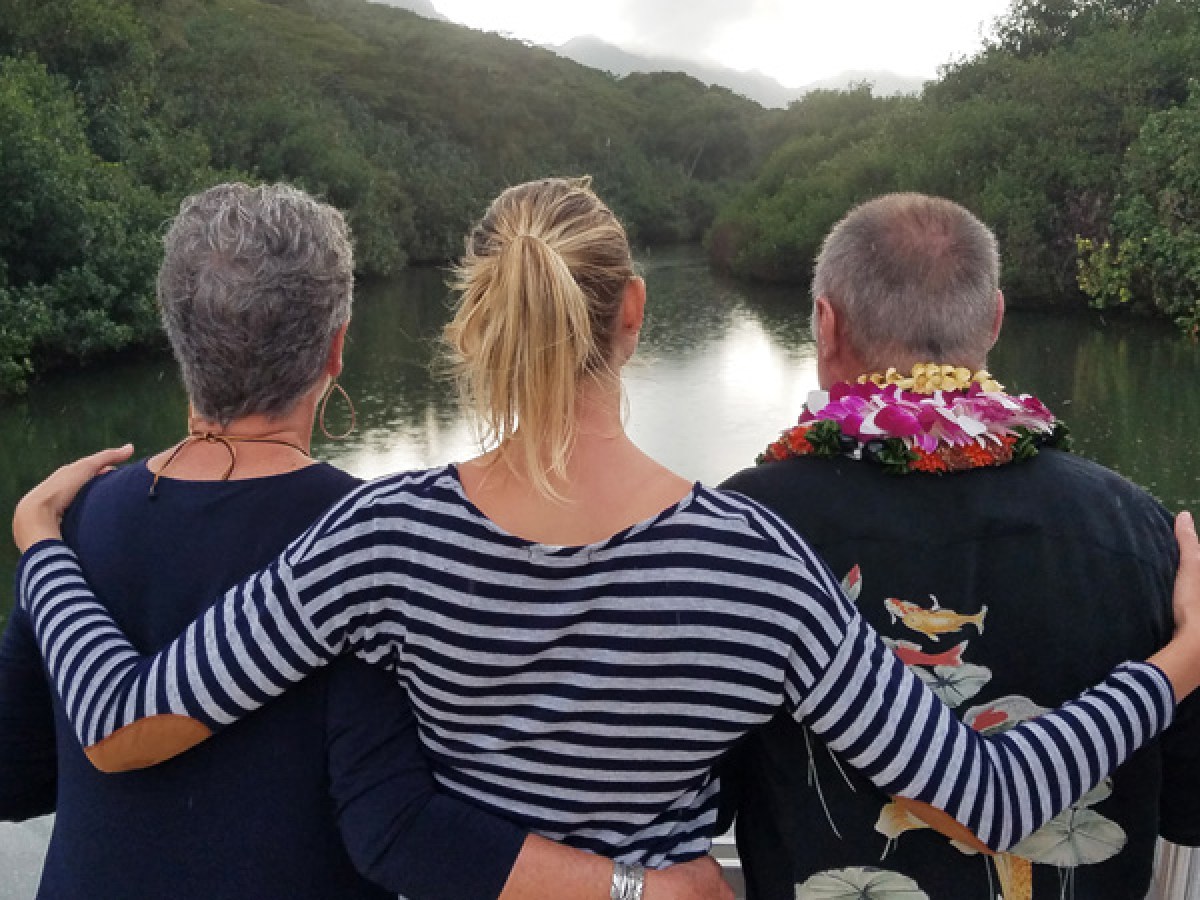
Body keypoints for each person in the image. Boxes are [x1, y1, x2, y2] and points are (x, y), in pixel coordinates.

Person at [10, 178, 1200, 900]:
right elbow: (990, 795)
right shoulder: (753, 563)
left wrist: (44, 546)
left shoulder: (383, 537)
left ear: (477, 318)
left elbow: (121, 728)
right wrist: (1178, 664)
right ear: (634, 314)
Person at [0, 182, 730, 900]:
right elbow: (398, 821)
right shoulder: (383, 537)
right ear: (337, 349)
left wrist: (39, 549)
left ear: (177, 333)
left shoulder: (73, 518)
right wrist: (634, 887)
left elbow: (15, 771)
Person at [717, 192, 1200, 899]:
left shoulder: (743, 531)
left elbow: (697, 793)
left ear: (825, 322)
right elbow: (1186, 809)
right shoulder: (1142, 529)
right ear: (996, 318)